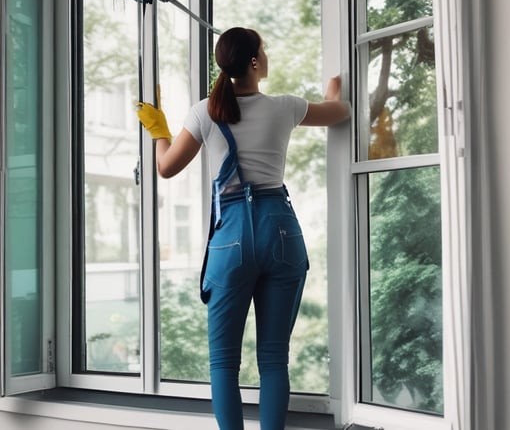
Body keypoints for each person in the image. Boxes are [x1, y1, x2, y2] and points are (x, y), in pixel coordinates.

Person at [135, 27, 350, 430]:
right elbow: (341, 111)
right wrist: (335, 84)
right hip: (280, 231)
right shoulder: (285, 107)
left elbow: (165, 167)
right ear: (253, 62)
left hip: (230, 237)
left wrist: (158, 129)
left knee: (223, 362)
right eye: (263, 51)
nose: (266, 55)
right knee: (273, 359)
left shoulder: (204, 112)